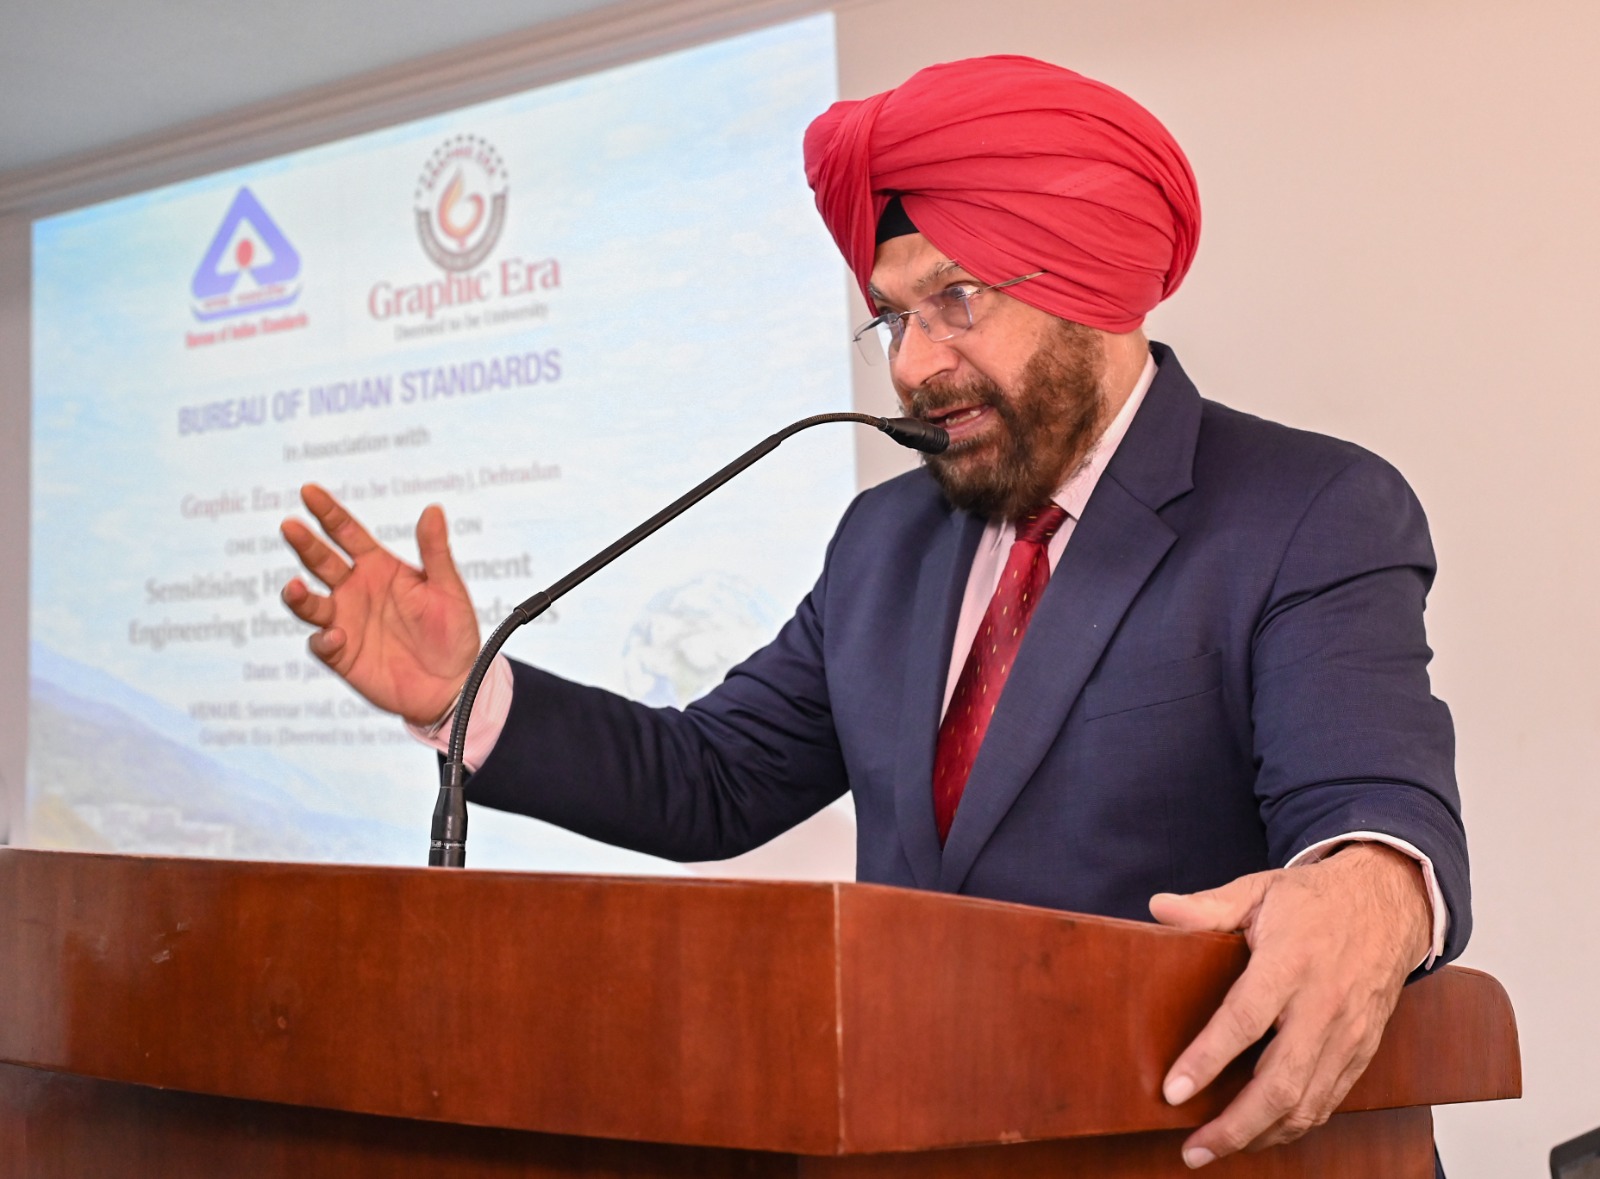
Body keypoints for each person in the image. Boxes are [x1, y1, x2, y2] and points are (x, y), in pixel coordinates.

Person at [280, 55, 1467, 1172]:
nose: (907, 366)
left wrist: (1375, 887)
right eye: (893, 318)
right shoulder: (883, 542)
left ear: (1090, 285)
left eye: (955, 300)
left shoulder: (1306, 509)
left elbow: (1367, 807)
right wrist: (466, 694)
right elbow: (712, 779)